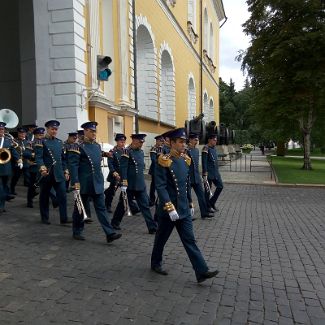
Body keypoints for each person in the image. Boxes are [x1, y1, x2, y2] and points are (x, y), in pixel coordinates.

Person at [150, 128, 219, 283]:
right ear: (171, 142)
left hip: (183, 208)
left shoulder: (185, 159)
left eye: (184, 141)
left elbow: (186, 184)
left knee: (190, 240)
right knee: (161, 238)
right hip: (169, 210)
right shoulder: (163, 160)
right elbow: (160, 186)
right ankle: (155, 263)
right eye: (180, 141)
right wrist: (169, 206)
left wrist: (190, 202)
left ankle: (201, 271)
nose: (183, 144)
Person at [66, 121, 122, 242]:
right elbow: (73, 166)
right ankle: (77, 231)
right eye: (91, 131)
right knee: (80, 208)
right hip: (84, 182)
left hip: (96, 182)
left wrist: (106, 154)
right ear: (85, 131)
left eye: (94, 131)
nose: (93, 133)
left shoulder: (96, 146)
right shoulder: (76, 146)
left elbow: (97, 158)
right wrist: (75, 182)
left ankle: (109, 233)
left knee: (101, 208)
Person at [111, 134, 157, 234]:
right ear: (134, 141)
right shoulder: (126, 151)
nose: (142, 144)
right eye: (140, 142)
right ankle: (115, 222)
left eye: (142, 142)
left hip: (140, 184)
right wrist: (124, 182)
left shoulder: (140, 152)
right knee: (123, 204)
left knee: (145, 206)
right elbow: (123, 168)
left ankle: (152, 227)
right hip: (129, 185)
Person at [34, 120, 71, 225]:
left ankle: (64, 218)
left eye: (56, 129)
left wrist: (66, 170)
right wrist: (42, 168)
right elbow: (39, 157)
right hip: (47, 173)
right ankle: (44, 217)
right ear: (47, 129)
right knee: (44, 196)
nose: (54, 131)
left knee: (63, 196)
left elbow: (63, 159)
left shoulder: (59, 142)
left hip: (59, 173)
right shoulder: (41, 141)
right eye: (52, 129)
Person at [186, 133, 214, 219]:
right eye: (195, 139)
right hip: (189, 177)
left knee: (201, 195)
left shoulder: (196, 150)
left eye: (197, 140)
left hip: (196, 177)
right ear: (190, 140)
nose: (196, 141)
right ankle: (188, 215)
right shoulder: (186, 150)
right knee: (188, 197)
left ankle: (204, 212)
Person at [0, 122, 21, 213]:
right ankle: (1, 207)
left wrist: (19, 160)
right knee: (0, 188)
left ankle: (2, 205)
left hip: (6, 168)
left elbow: (13, 152)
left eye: (2, 129)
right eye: (0, 129)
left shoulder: (8, 141)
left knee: (4, 187)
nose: (1, 131)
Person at [202, 134, 224, 212]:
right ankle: (207, 207)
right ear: (209, 140)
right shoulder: (206, 148)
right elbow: (204, 162)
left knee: (220, 186)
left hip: (215, 172)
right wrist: (204, 173)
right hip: (208, 173)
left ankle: (212, 202)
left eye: (216, 140)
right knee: (208, 191)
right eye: (214, 140)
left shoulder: (214, 148)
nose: (216, 141)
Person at [10, 127, 30, 195]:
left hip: (26, 162)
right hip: (17, 163)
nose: (22, 135)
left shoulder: (28, 142)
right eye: (20, 133)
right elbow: (13, 152)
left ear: (25, 134)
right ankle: (12, 189)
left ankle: (32, 192)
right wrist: (18, 160)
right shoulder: (14, 141)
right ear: (18, 133)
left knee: (28, 177)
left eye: (23, 133)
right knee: (16, 177)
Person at [148, 135, 164, 206]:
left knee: (160, 184)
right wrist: (161, 162)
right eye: (160, 141)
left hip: (161, 169)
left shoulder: (163, 148)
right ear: (157, 141)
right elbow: (153, 160)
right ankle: (152, 200)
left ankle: (160, 199)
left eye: (162, 141)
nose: (162, 143)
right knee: (153, 185)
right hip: (155, 169)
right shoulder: (153, 149)